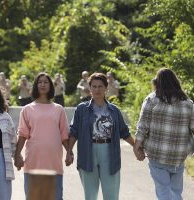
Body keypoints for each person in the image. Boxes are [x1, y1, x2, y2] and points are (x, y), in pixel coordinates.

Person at [66, 72, 135, 200]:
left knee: (111, 195)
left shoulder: (114, 110)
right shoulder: (81, 109)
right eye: (94, 86)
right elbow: (74, 131)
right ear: (90, 88)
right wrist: (69, 152)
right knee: (90, 195)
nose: (97, 89)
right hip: (88, 152)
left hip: (109, 152)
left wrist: (136, 147)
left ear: (106, 88)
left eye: (100, 86)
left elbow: (124, 132)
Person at [133, 68, 194, 200]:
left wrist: (137, 146)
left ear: (157, 82)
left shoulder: (152, 100)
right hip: (179, 155)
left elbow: (143, 125)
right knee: (176, 191)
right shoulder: (188, 104)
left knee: (163, 190)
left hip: (157, 154)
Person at [14, 72, 70, 200]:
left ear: (51, 86)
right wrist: (17, 155)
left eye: (46, 82)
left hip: (54, 163)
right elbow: (22, 135)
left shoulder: (59, 109)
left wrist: (69, 153)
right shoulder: (27, 109)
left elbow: (64, 134)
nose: (43, 84)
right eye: (40, 82)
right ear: (35, 86)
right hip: (33, 162)